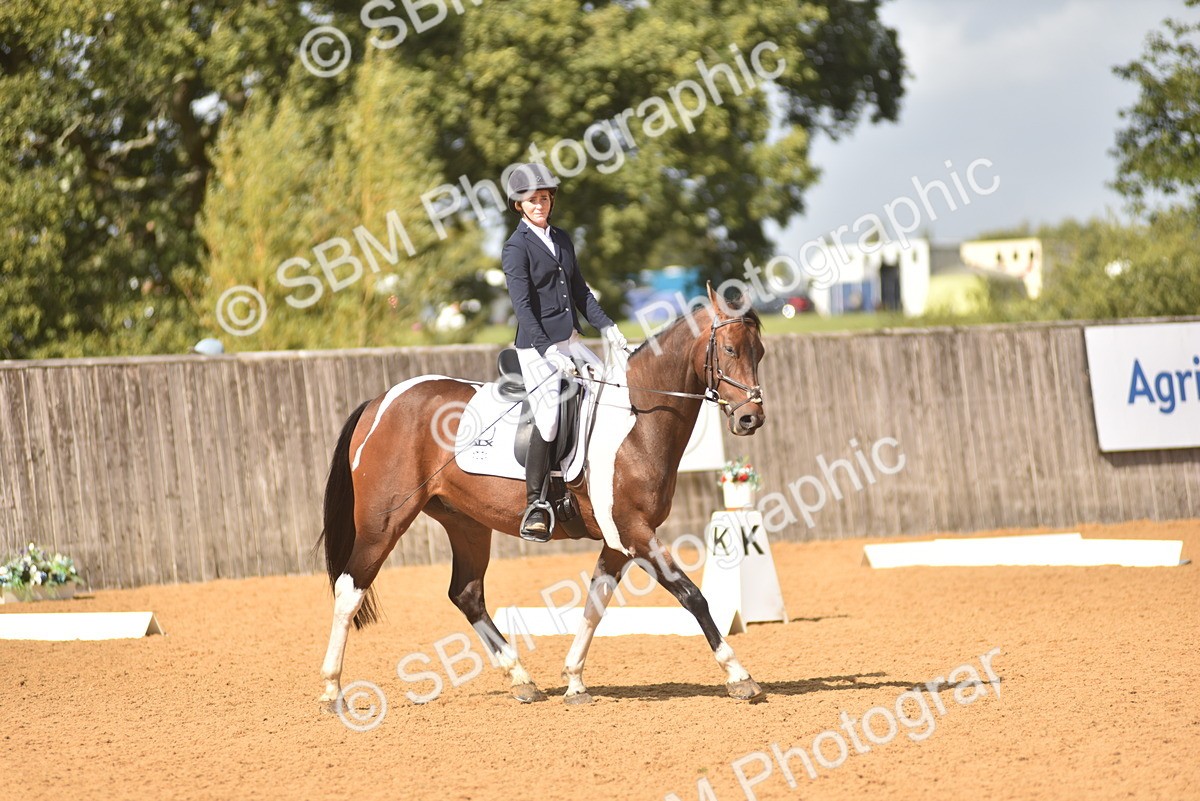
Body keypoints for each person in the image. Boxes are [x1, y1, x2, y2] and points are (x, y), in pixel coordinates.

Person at [501, 163, 628, 542]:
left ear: (550, 200)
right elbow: (523, 307)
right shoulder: (516, 247)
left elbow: (580, 293)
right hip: (536, 348)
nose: (538, 204)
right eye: (531, 200)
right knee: (550, 418)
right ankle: (536, 503)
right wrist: (546, 350)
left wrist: (607, 326)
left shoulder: (562, 238)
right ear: (519, 206)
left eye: (543, 198)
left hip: (571, 341)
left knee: (613, 392)